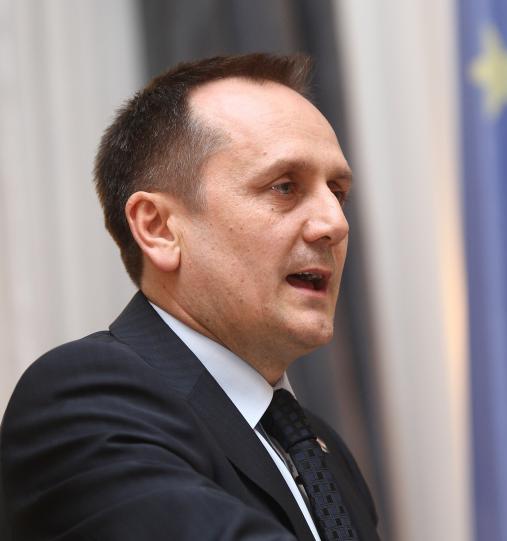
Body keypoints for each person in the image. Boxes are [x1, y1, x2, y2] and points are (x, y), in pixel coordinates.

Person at [0, 53, 379, 541]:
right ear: (159, 229)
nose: (335, 224)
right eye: (285, 187)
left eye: (338, 192)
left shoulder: (322, 447)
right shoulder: (83, 403)